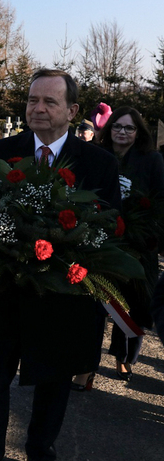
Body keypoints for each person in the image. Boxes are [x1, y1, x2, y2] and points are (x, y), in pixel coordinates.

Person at [0, 69, 121, 461]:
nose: (37, 108)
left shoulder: (99, 164)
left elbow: (107, 231)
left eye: (49, 102)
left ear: (71, 111)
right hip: (3, 292)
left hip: (63, 298)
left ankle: (39, 456)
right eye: (33, 100)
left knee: (52, 383)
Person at [94, 106, 164, 382]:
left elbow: (160, 200)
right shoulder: (99, 157)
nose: (122, 132)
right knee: (98, 304)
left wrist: (147, 232)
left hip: (139, 244)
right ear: (109, 129)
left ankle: (124, 358)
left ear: (138, 133)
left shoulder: (152, 160)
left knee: (135, 305)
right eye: (117, 127)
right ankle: (87, 361)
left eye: (129, 128)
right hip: (101, 243)